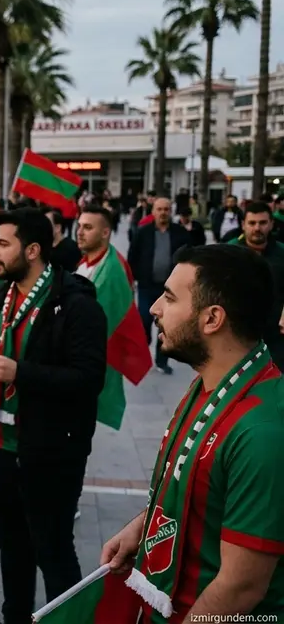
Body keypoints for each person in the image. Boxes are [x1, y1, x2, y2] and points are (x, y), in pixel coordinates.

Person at [102, 244, 284, 620]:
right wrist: (145, 524)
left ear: (212, 318)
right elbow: (200, 488)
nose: (154, 309)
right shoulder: (213, 384)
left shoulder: (263, 431)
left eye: (169, 298)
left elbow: (241, 587)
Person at [0, 207, 108, 624]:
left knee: (52, 550)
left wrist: (23, 374)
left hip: (50, 453)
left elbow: (88, 378)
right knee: (11, 546)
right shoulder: (1, 297)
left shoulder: (76, 303)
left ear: (32, 250)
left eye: (2, 244)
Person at [128, 197, 193, 375]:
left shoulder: (180, 233)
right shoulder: (143, 232)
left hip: (170, 289)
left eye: (166, 209)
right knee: (144, 319)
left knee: (166, 324)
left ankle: (162, 360)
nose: (163, 212)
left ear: (170, 211)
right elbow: (133, 254)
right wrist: (131, 278)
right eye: (159, 209)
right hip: (146, 285)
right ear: (153, 212)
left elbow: (189, 257)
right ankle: (142, 352)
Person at [228, 200, 284, 366]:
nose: (257, 228)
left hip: (276, 337)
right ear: (243, 224)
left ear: (271, 224)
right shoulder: (229, 253)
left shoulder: (282, 253)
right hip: (238, 337)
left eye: (263, 223)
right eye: (252, 223)